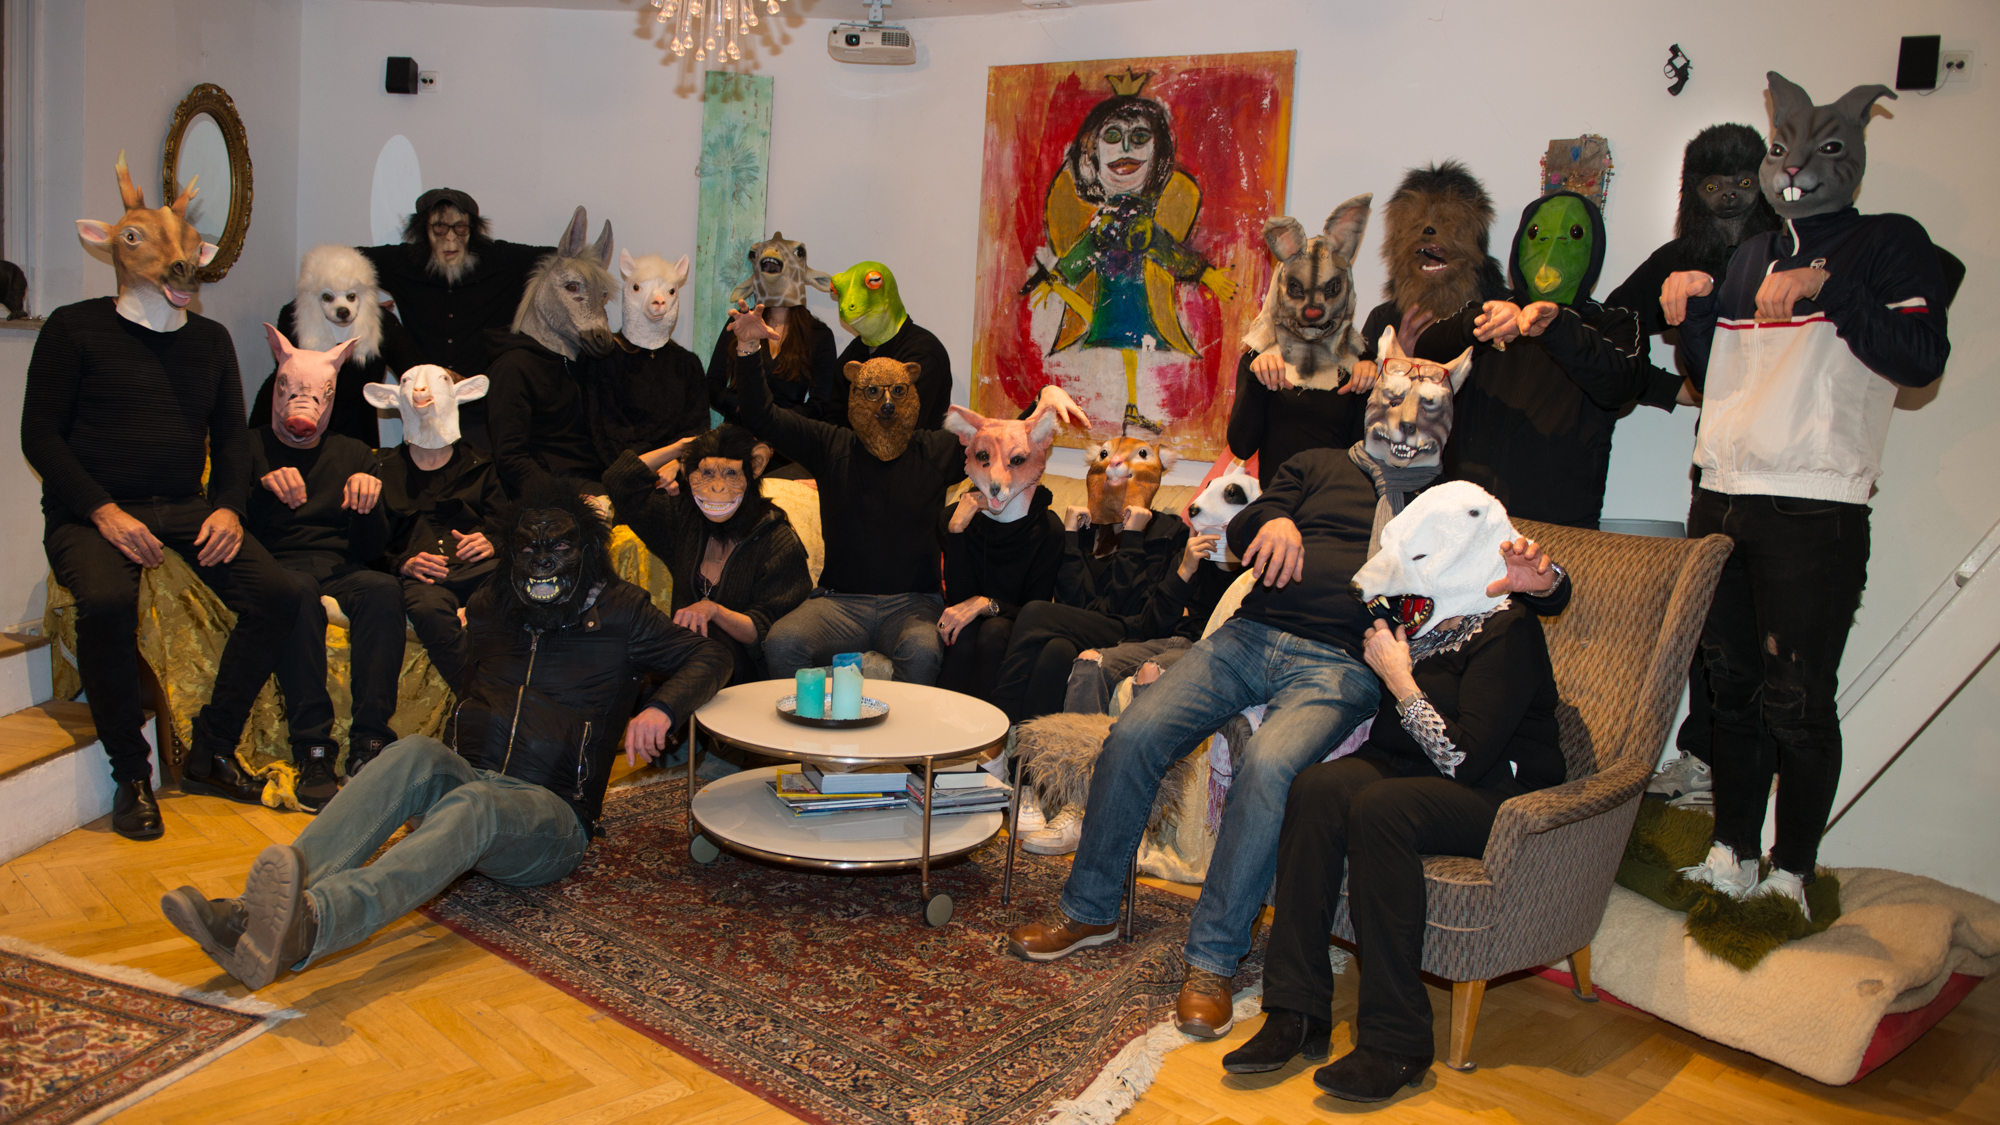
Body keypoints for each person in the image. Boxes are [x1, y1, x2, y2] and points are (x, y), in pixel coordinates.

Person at [1003, 398, 1566, 1039]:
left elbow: (1525, 574)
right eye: (1393, 402)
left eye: (1422, 410)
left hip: (1344, 664)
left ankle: (1213, 960)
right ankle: (1090, 907)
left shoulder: (1443, 498)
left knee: (1270, 766)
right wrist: (1273, 521)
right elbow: (1245, 519)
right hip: (1249, 635)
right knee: (1135, 733)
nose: (1404, 420)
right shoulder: (1317, 464)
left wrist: (1550, 581)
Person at [158, 482, 733, 991]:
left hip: (552, 816)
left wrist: (660, 708)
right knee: (411, 751)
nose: (541, 561)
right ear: (510, 552)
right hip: (472, 778)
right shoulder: (489, 606)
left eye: (557, 548)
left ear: (585, 551)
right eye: (528, 549)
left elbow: (712, 656)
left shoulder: (621, 612)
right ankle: (252, 914)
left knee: (474, 803)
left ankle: (312, 924)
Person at [1662, 73, 1951, 914]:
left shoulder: (1890, 241)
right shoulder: (1751, 253)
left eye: (1817, 150)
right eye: (1782, 149)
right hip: (1721, 495)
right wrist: (1694, 313)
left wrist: (1832, 288)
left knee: (1798, 701)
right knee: (1730, 693)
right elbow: (1714, 376)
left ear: (1850, 157)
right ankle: (1732, 853)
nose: (1793, 167)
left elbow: (1921, 358)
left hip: (1814, 506)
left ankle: (1793, 873)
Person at [1224, 483, 1566, 1103]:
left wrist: (1401, 679)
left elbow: (1462, 760)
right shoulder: (1423, 614)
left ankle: (1397, 1039)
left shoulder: (1509, 630)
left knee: (1382, 809)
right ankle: (1296, 1010)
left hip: (1498, 792)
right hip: (1408, 768)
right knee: (1317, 787)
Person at [26, 155, 297, 838]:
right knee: (106, 602)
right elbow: (40, 436)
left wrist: (229, 506)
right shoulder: (72, 328)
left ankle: (210, 749)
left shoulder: (209, 341)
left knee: (280, 594)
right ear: (113, 248)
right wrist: (103, 511)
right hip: (91, 513)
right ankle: (130, 774)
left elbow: (231, 439)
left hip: (184, 506)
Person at [1413, 190, 1653, 529]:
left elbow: (1623, 384)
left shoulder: (1613, 323)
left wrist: (1557, 328)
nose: (1550, 250)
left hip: (1556, 529)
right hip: (1462, 516)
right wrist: (1480, 324)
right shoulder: (1488, 309)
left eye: (1571, 236)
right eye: (1537, 235)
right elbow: (1424, 354)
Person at [245, 326, 400, 813]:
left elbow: (373, 549)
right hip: (277, 565)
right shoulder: (248, 448)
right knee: (296, 596)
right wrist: (263, 491)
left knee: (383, 590)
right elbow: (233, 528)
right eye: (292, 391)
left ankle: (370, 742)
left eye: (317, 395)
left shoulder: (353, 452)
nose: (303, 406)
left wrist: (369, 505)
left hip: (339, 566)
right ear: (277, 389)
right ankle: (313, 750)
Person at [602, 425, 812, 683]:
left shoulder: (775, 538)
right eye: (706, 473)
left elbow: (767, 632)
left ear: (753, 472)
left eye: (731, 473)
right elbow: (619, 481)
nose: (717, 487)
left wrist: (714, 611)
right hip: (685, 659)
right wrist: (680, 448)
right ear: (688, 474)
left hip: (745, 671)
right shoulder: (684, 520)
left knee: (704, 643)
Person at [367, 366, 504, 693]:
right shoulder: (381, 469)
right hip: (425, 582)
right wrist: (402, 564)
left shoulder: (481, 465)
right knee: (428, 610)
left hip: (482, 571)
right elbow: (368, 544)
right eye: (411, 386)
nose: (421, 392)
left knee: (518, 587)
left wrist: (493, 543)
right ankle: (479, 700)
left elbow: (510, 526)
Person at [358, 188, 552, 393]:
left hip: (486, 398)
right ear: (423, 229)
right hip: (425, 398)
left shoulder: (500, 260)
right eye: (439, 227)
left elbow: (561, 261)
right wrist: (360, 303)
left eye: (460, 227)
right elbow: (341, 262)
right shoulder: (403, 263)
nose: (450, 237)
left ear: (473, 229)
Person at [249, 244, 426, 448]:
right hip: (295, 433)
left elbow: (417, 373)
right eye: (328, 298)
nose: (342, 308)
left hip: (355, 436)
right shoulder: (293, 319)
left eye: (351, 297)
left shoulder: (383, 325)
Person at [936, 483, 1063, 702]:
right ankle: (941, 718)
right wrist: (956, 530)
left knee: (994, 631)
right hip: (970, 622)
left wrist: (988, 604)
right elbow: (959, 600)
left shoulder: (1047, 527)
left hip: (1014, 622)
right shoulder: (955, 516)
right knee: (961, 633)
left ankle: (985, 721)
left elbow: (1035, 611)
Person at [827, 261, 953, 432]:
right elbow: (834, 420)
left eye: (873, 282)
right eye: (837, 290)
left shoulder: (923, 351)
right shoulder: (851, 355)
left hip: (913, 449)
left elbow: (901, 427)